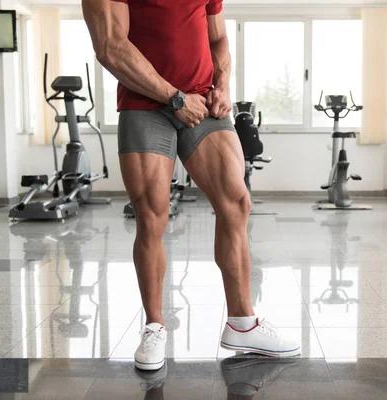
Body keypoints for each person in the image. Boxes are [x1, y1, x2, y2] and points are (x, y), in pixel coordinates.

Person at [82, 0, 301, 370]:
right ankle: (154, 327)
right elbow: (110, 47)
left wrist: (223, 84)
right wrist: (173, 96)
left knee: (236, 201)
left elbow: (218, 38)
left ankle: (243, 323)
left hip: (203, 101)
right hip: (145, 104)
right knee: (151, 216)